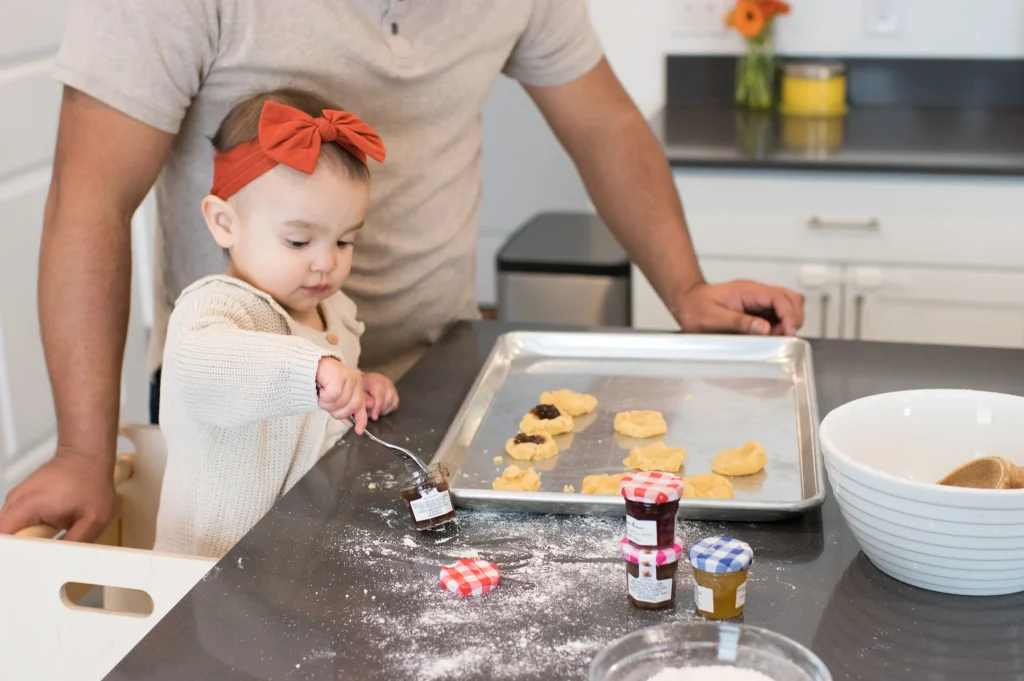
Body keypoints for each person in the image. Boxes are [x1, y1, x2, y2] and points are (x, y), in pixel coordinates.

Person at [0, 0, 804, 544]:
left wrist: (687, 290)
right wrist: (81, 450)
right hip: (243, 421)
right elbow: (88, 201)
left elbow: (603, 123)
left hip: (425, 387)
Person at [155, 90, 398, 557]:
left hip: (292, 554)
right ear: (225, 222)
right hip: (211, 570)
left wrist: (355, 390)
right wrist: (314, 371)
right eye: (298, 241)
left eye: (345, 241)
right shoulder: (217, 308)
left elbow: (312, 414)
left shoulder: (334, 311)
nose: (326, 263)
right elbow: (204, 367)